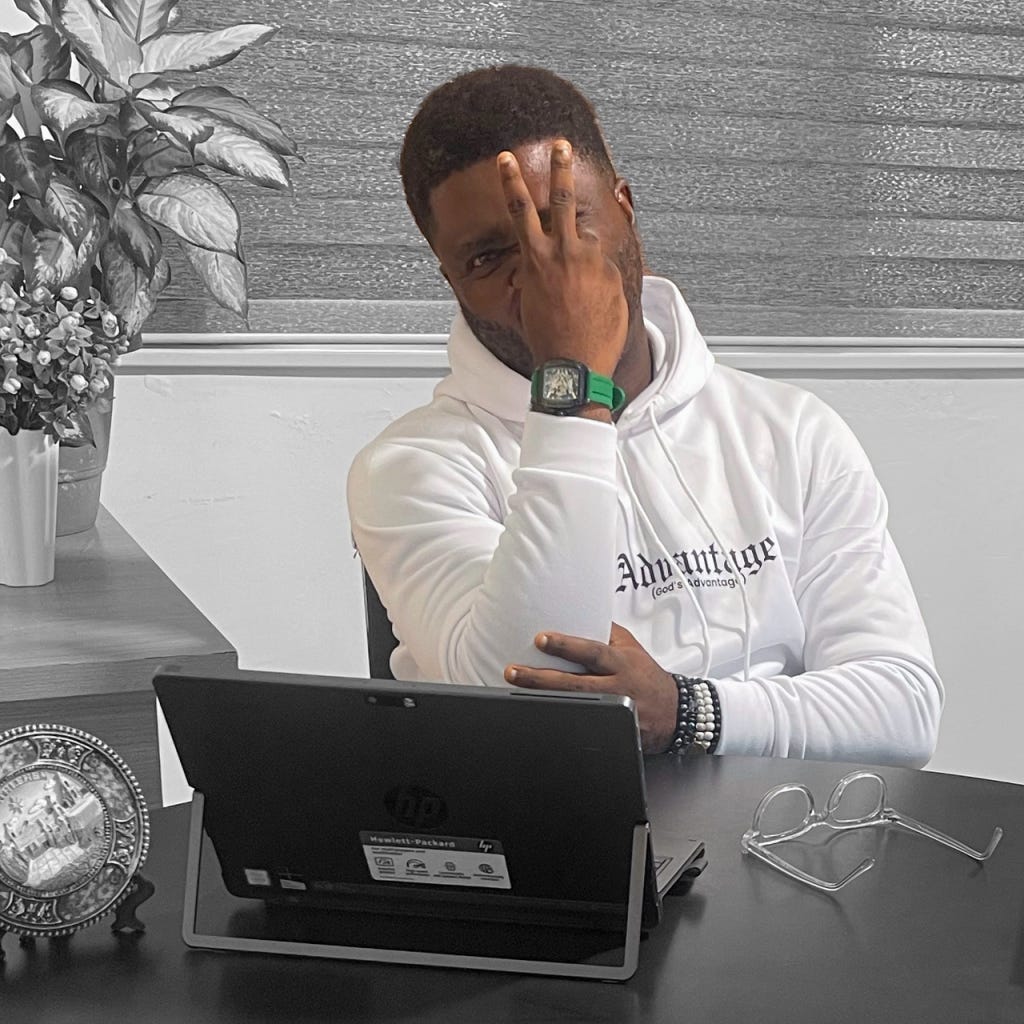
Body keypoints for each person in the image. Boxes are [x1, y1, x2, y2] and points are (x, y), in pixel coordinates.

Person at [347, 65, 942, 768]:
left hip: (789, 820)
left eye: (563, 222)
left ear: (625, 210)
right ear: (451, 280)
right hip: (562, 830)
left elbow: (903, 711)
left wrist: (688, 711)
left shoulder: (791, 431)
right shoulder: (410, 467)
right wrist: (574, 384)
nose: (542, 274)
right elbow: (531, 710)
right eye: (487, 256)